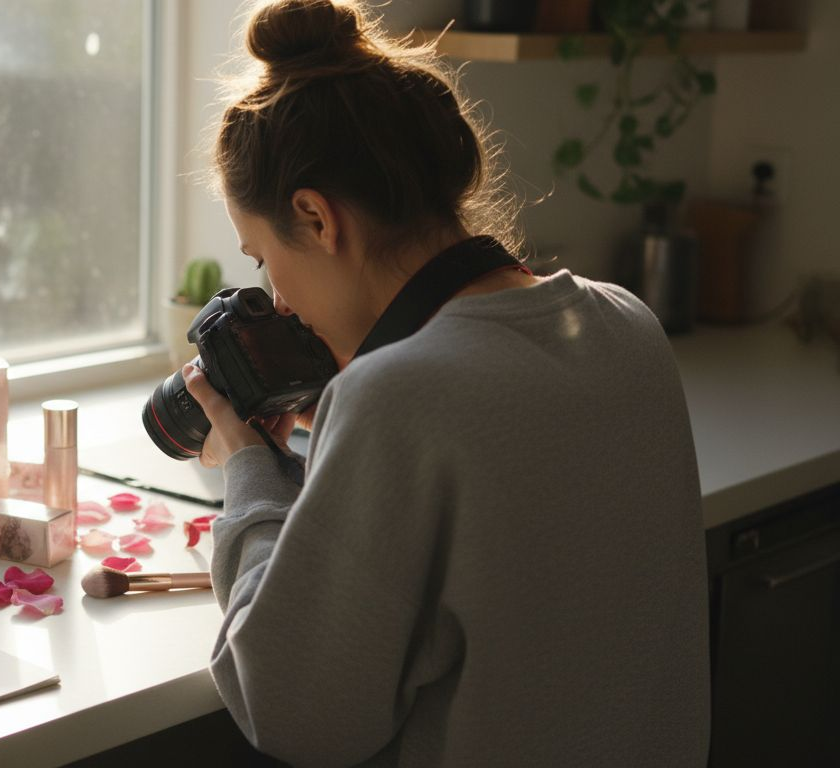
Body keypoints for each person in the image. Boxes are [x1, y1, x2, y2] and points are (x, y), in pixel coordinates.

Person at [180, 1, 710, 765]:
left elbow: (293, 710)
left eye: (263, 260)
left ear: (316, 218)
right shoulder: (627, 323)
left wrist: (248, 470)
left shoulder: (399, 398)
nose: (281, 301)